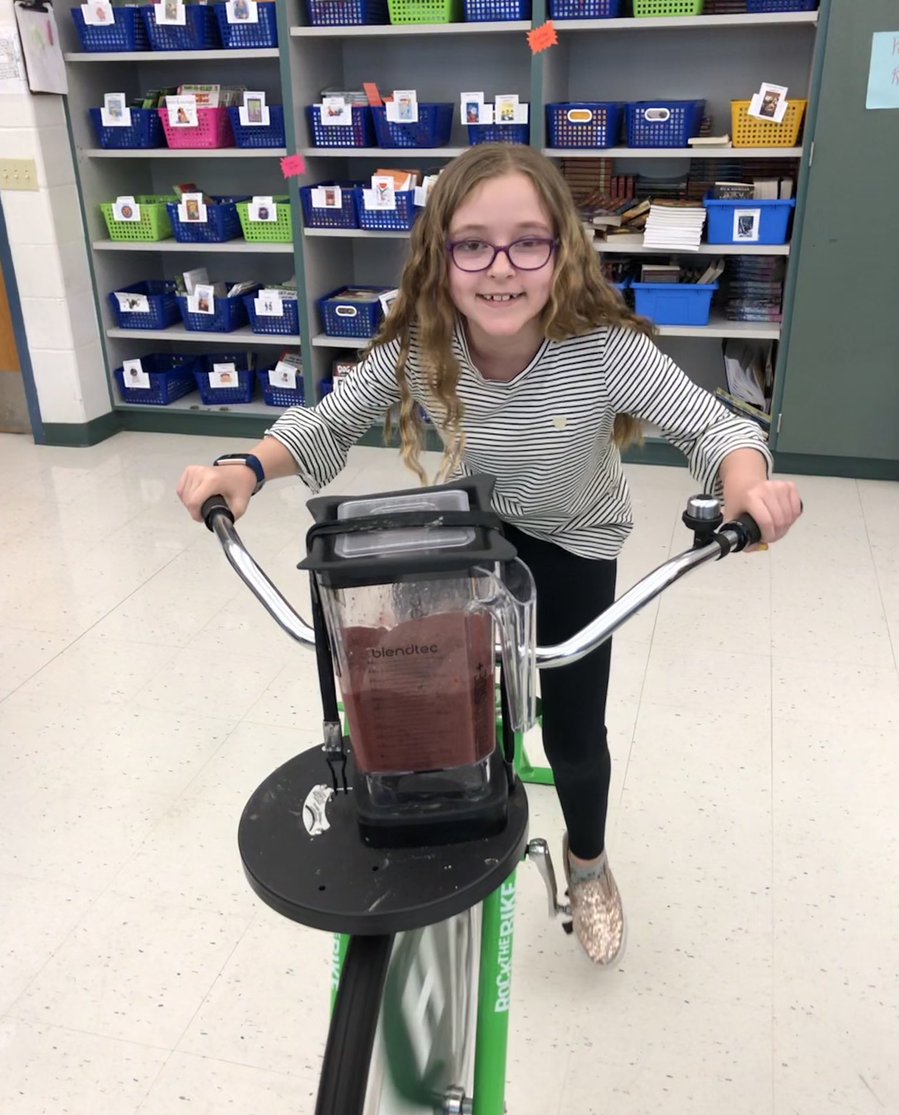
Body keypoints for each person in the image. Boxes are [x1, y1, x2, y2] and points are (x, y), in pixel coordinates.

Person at [178, 143, 802, 967]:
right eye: (472, 243)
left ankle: (588, 862)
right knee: (431, 696)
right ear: (439, 259)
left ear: (562, 252)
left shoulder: (602, 349)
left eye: (527, 242)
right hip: (475, 536)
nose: (499, 268)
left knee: (576, 734)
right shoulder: (422, 345)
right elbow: (326, 419)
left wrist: (746, 483)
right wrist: (247, 466)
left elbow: (714, 426)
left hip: (575, 539)